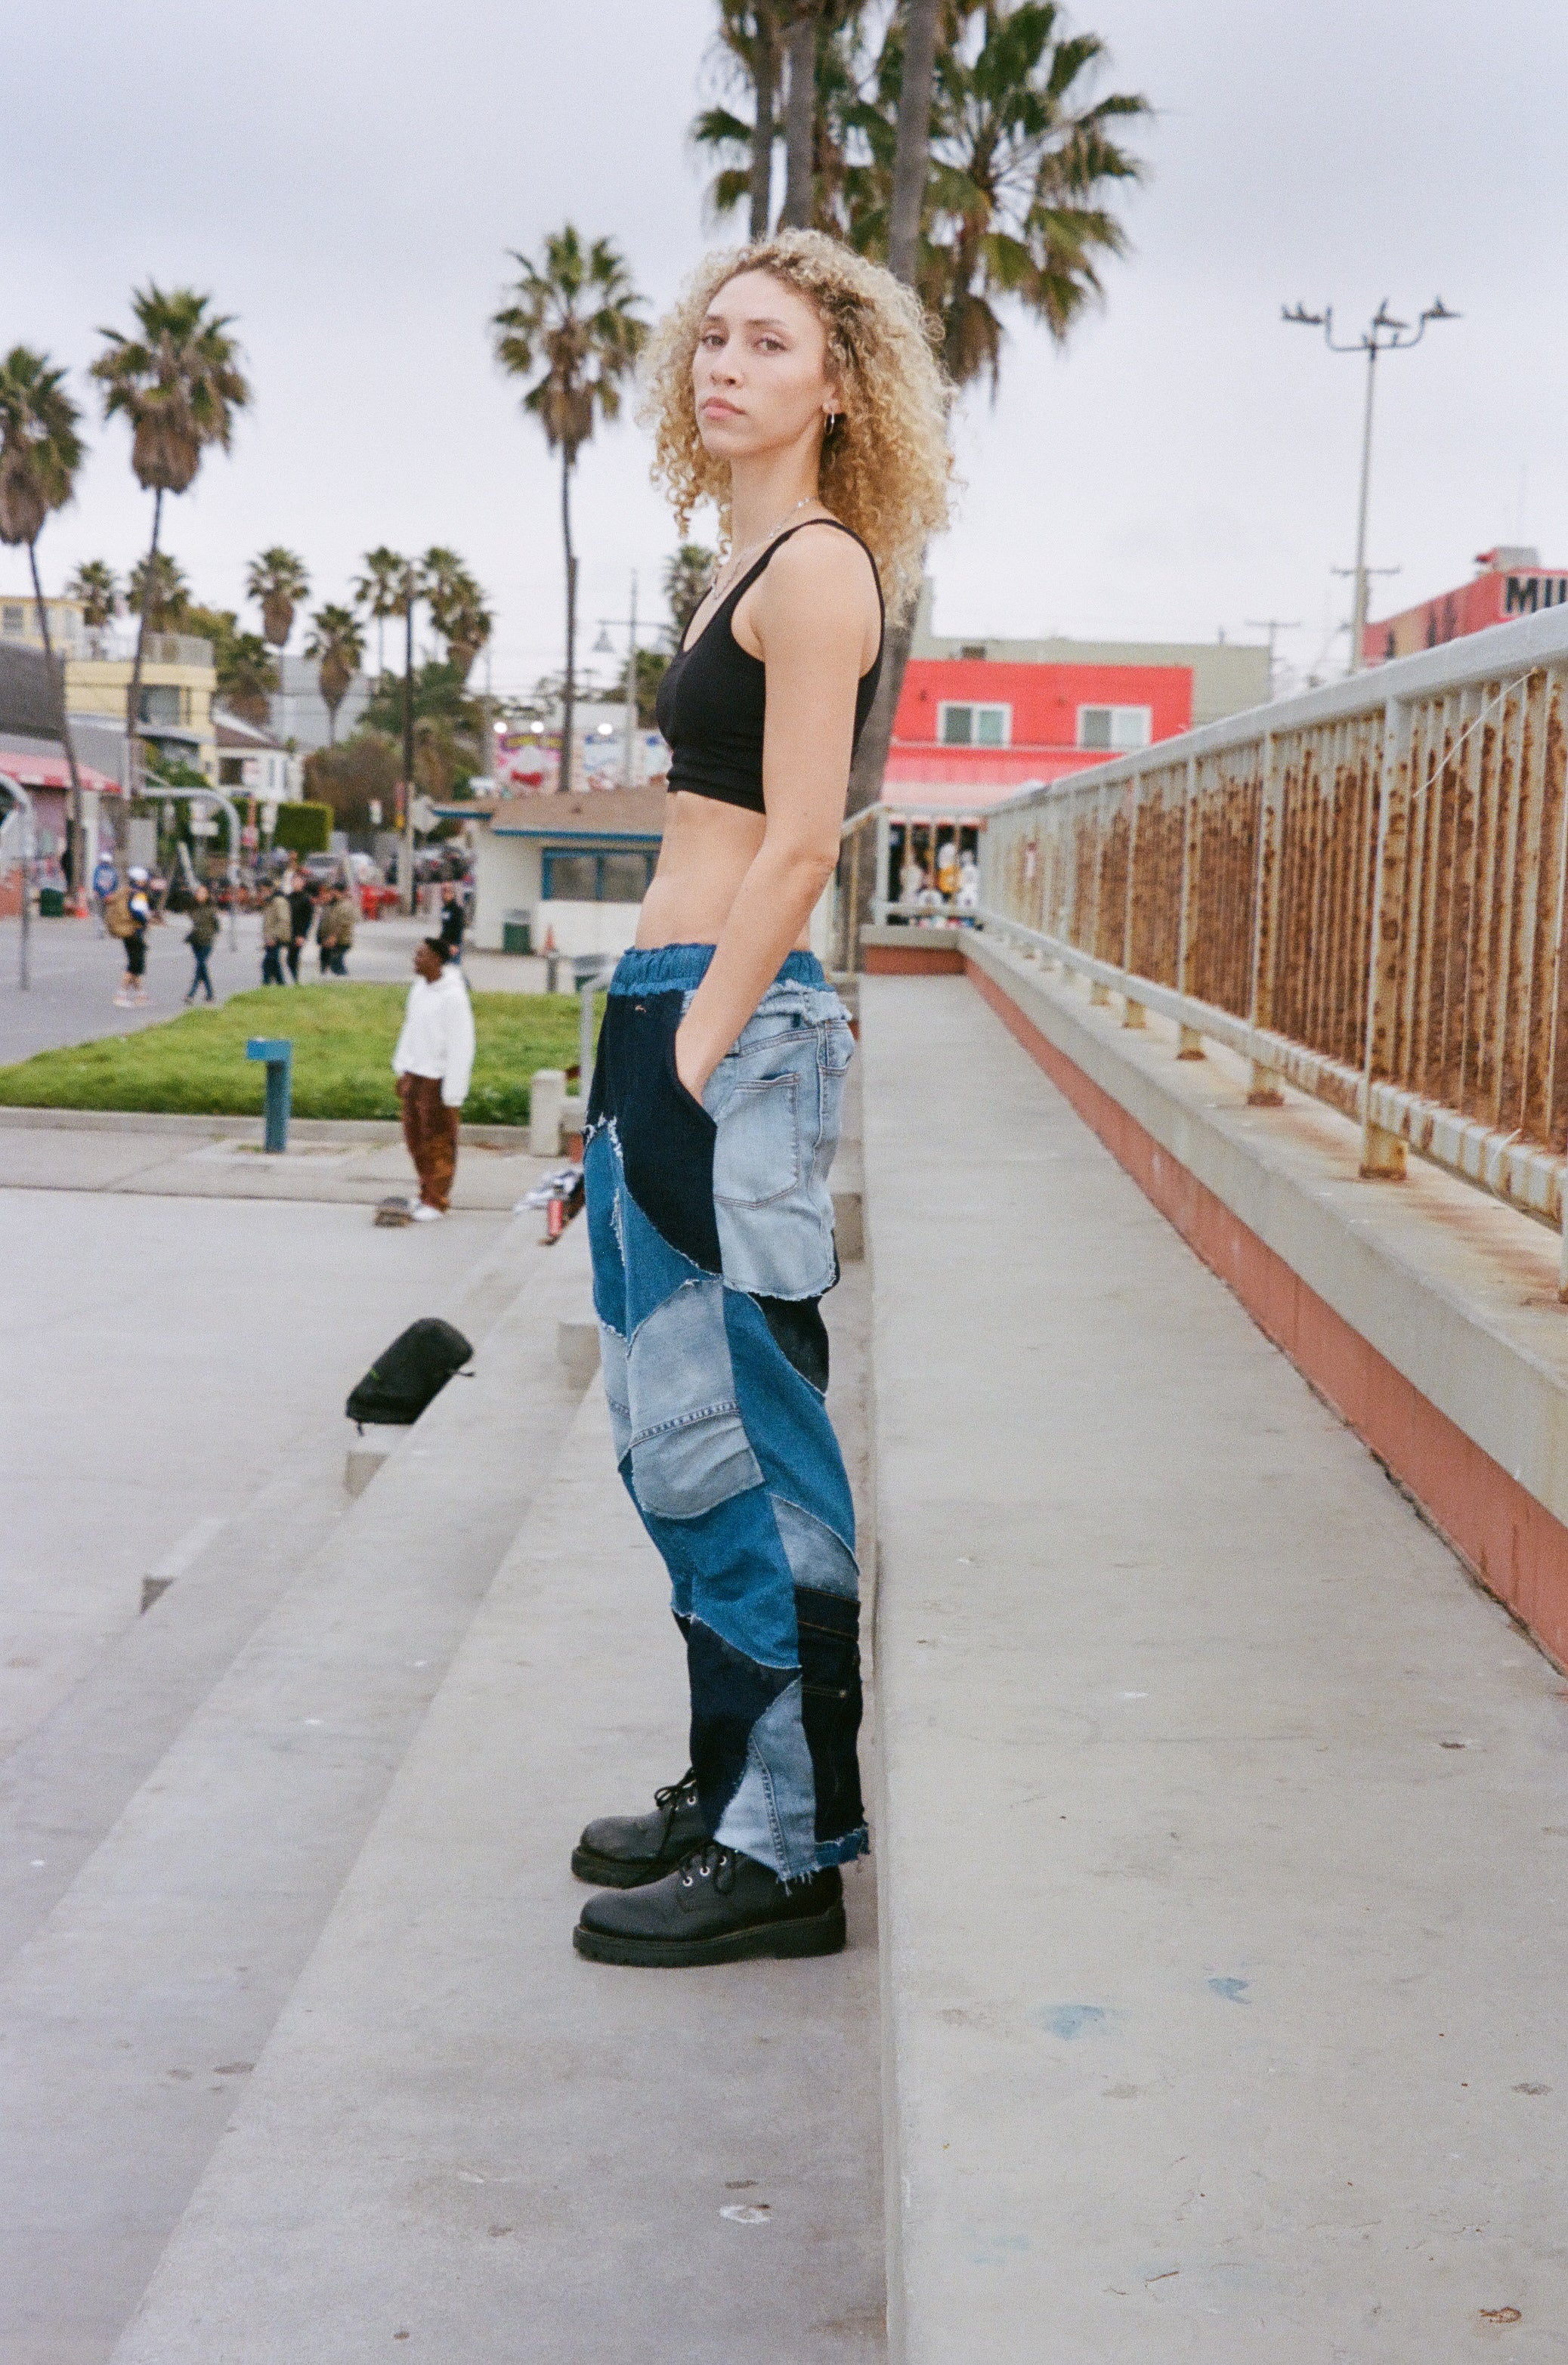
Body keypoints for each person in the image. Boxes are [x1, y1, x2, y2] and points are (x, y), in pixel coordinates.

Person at [571, 229, 950, 1970]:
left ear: (840, 384)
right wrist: (637, 1049)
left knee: (744, 1435)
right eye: (710, 337)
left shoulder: (817, 570)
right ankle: (733, 1779)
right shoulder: (738, 560)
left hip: (733, 1033)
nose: (722, 364)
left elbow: (800, 843)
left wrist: (688, 1056)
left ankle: (784, 1853)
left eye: (768, 343)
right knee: (668, 1438)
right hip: (673, 1009)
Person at [391, 937, 475, 1219]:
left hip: (437, 1080)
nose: (415, 960)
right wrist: (402, 1067)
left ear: (437, 960)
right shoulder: (419, 989)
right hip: (414, 1074)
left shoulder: (453, 997)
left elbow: (462, 1045)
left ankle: (436, 1200)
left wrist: (454, 1091)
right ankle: (425, 1192)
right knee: (415, 1140)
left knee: (437, 1142)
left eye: (421, 955)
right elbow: (410, 1028)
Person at [112, 867, 153, 1007]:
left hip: (127, 931)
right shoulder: (139, 894)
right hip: (135, 932)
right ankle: (120, 995)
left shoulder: (128, 892)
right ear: (140, 880)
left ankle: (141, 995)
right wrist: (146, 919)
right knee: (134, 966)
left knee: (136, 965)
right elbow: (137, 912)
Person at [184, 884, 220, 1002]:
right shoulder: (192, 908)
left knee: (201, 964)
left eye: (204, 893)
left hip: (207, 941)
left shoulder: (211, 908)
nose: (201, 895)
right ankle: (210, 994)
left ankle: (191, 994)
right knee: (201, 966)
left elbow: (217, 926)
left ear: (207, 895)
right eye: (199, 892)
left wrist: (210, 934)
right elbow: (194, 922)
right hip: (196, 940)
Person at [260, 876, 291, 986]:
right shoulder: (270, 902)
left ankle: (266, 986)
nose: (262, 893)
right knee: (273, 963)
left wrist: (274, 937)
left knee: (268, 963)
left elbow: (284, 921)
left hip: (277, 938)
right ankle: (281, 986)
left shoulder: (279, 901)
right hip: (271, 939)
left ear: (269, 889)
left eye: (263, 890)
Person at [286, 870, 315, 985]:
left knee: (292, 958)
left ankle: (295, 980)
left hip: (299, 933)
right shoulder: (288, 898)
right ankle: (291, 980)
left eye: (299, 881)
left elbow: (309, 919)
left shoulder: (306, 899)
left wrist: (303, 935)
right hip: (288, 932)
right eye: (294, 881)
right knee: (289, 958)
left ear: (303, 883)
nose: (296, 883)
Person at [437, 880, 466, 963]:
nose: (445, 894)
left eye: (449, 891)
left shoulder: (457, 910)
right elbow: (445, 928)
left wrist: (455, 945)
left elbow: (459, 928)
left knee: (453, 968)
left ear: (453, 893)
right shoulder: (444, 910)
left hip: (454, 945)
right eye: (443, 891)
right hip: (444, 944)